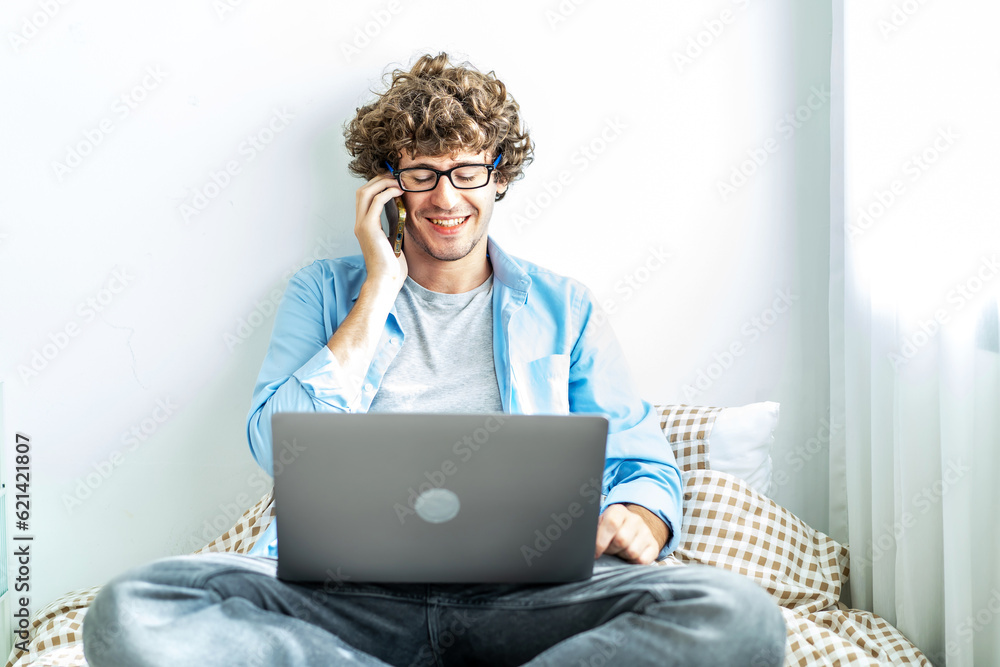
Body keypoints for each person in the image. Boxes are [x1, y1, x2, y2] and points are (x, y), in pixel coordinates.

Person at [82, 52, 786, 667]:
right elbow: (277, 448)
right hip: (344, 601)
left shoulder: (565, 307)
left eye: (467, 169)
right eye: (422, 173)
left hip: (530, 602)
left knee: (736, 612)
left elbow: (646, 465)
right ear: (387, 185)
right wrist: (378, 289)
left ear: (499, 175)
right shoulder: (324, 294)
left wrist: (640, 513)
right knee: (132, 607)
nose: (446, 196)